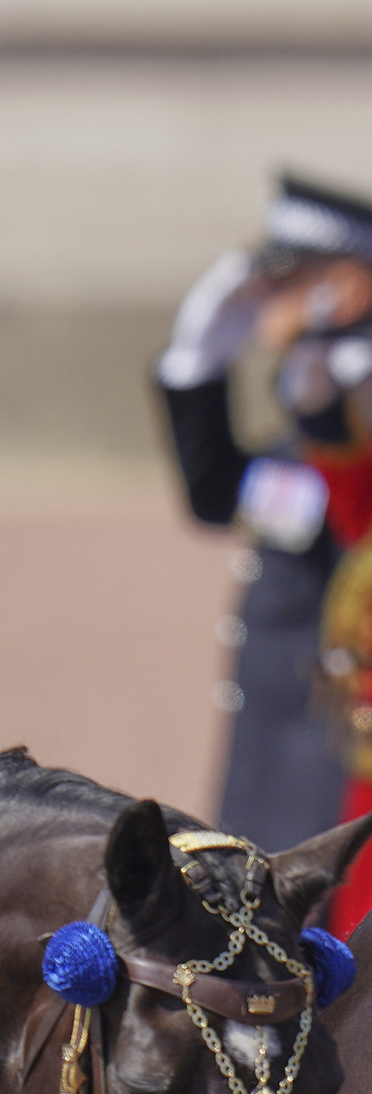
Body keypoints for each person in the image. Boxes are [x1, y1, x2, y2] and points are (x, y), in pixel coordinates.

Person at [155, 173, 372, 854]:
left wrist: (326, 404)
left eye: (284, 280)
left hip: (336, 750)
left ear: (346, 283)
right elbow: (220, 495)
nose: (261, 300)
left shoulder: (350, 395)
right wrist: (196, 366)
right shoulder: (315, 387)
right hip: (279, 743)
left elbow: (343, 523)